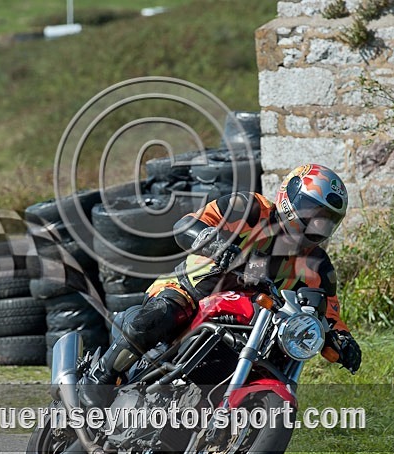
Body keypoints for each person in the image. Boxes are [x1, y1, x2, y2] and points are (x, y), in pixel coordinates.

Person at [80, 163, 363, 407]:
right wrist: (214, 243)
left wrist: (344, 341)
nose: (316, 225)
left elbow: (328, 313)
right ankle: (100, 378)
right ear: (290, 197)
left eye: (325, 222)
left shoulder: (318, 265)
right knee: (159, 316)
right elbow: (186, 225)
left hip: (250, 324)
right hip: (192, 292)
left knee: (274, 359)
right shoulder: (250, 208)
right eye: (312, 213)